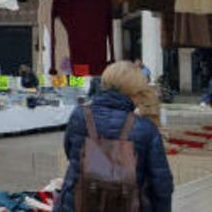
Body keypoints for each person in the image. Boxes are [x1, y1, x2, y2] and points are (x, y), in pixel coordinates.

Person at [54, 61, 173, 211]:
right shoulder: (145, 128)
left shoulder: (79, 116)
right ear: (134, 92)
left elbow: (71, 153)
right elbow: (160, 183)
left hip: (77, 203)